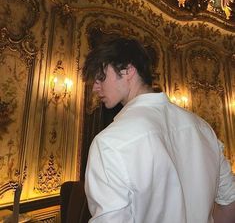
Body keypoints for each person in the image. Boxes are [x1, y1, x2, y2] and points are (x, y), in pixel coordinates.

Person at [82, 37, 235, 223]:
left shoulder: (109, 143)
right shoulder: (203, 128)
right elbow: (229, 202)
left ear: (128, 70)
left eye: (101, 77)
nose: (95, 88)